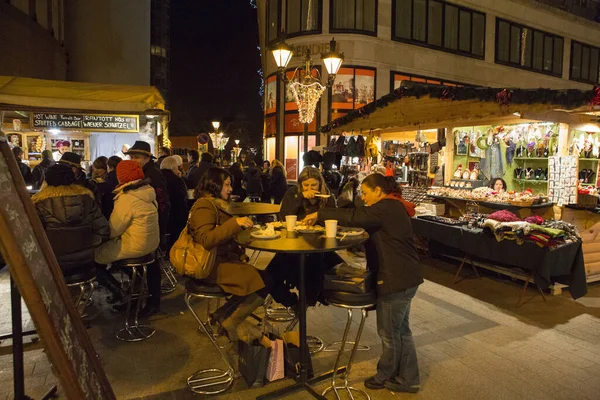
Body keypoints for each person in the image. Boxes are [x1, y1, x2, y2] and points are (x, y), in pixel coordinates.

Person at [303, 173, 422, 394]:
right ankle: (409, 378)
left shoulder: (385, 207)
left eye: (366, 194)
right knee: (400, 330)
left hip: (396, 278)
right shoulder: (393, 206)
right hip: (407, 276)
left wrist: (320, 213)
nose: (364, 198)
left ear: (378, 191)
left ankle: (386, 374)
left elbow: (356, 215)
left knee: (389, 332)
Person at [189, 167, 268, 341]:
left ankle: (221, 315)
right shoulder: (204, 205)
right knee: (263, 282)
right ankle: (231, 322)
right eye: (227, 184)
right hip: (209, 266)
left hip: (222, 261)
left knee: (265, 279)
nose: (231, 189)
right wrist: (234, 224)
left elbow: (225, 236)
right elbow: (206, 239)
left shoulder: (217, 205)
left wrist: (239, 252)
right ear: (214, 185)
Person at [268, 167, 339, 307]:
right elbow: (284, 215)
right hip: (293, 245)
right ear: (300, 184)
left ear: (320, 184)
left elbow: (333, 218)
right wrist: (300, 198)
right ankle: (294, 303)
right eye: (306, 185)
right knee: (270, 275)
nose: (309, 188)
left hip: (319, 247)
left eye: (313, 185)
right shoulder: (293, 193)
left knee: (314, 268)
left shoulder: (327, 197)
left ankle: (307, 302)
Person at [95, 160, 161, 311]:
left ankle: (121, 293)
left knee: (95, 258)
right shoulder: (148, 191)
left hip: (134, 247)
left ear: (120, 177)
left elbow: (113, 230)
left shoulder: (126, 198)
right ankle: (136, 287)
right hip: (150, 245)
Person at [32, 164, 110, 278]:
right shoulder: (86, 198)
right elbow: (104, 231)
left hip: (52, 262)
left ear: (46, 180)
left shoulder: (39, 202)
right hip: (85, 261)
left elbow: (33, 238)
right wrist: (86, 243)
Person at [125, 141, 171, 316]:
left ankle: (153, 302)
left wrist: (160, 228)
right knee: (142, 265)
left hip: (153, 226)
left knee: (152, 266)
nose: (133, 160)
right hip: (143, 226)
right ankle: (135, 299)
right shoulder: (141, 172)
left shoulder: (153, 175)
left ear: (146, 158)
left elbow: (163, 203)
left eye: (137, 157)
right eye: (131, 157)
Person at [160, 156, 189, 250]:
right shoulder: (176, 180)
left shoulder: (158, 178)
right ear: (173, 168)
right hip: (176, 218)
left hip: (162, 218)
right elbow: (182, 201)